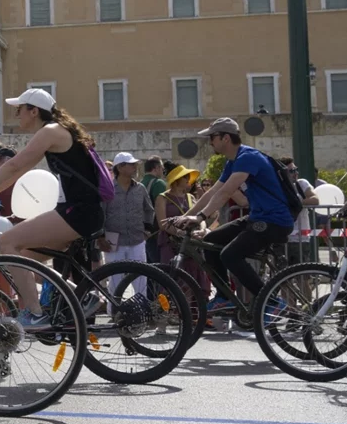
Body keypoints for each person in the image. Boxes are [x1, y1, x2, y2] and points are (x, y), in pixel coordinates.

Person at [0, 88, 105, 325]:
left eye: (19, 110)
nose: (17, 115)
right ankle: (83, 295)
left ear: (34, 111)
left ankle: (36, 314)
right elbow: (16, 171)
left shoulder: (50, 131)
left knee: (7, 242)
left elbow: (15, 166)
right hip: (81, 211)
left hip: (78, 212)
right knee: (21, 259)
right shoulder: (58, 130)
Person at [170, 118, 294, 317]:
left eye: (212, 137)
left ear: (225, 138)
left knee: (230, 255)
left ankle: (271, 301)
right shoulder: (233, 161)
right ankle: (224, 297)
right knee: (210, 240)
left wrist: (200, 216)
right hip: (259, 218)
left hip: (274, 221)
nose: (210, 142)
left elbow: (226, 192)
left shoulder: (248, 157)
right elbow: (213, 192)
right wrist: (184, 217)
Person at [100, 152, 155, 301]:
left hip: (137, 239)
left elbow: (149, 210)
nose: (135, 167)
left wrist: (148, 229)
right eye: (131, 164)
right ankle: (114, 312)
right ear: (120, 167)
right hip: (112, 241)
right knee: (115, 279)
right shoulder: (108, 189)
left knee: (140, 278)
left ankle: (142, 310)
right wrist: (100, 236)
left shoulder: (140, 188)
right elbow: (101, 213)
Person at [156, 164, 209, 295]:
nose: (188, 179)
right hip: (170, 243)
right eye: (185, 177)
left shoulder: (191, 198)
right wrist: (180, 233)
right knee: (174, 279)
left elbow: (200, 217)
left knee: (193, 279)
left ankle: (193, 313)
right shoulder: (162, 198)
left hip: (192, 244)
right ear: (176, 180)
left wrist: (202, 230)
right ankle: (172, 313)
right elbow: (162, 224)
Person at [280, 157, 320, 265]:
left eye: (296, 169)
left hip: (300, 238)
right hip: (280, 237)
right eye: (291, 171)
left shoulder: (301, 183)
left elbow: (315, 200)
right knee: (281, 277)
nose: (296, 173)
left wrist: (295, 203)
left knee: (303, 276)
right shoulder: (277, 186)